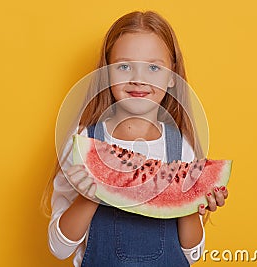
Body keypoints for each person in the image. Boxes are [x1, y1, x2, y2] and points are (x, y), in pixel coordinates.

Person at [41, 10, 228, 266]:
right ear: (106, 71)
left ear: (172, 76)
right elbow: (59, 249)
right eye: (124, 66)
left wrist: (190, 201)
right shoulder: (83, 141)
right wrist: (90, 195)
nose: (138, 79)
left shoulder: (180, 147)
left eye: (153, 67)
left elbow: (191, 255)